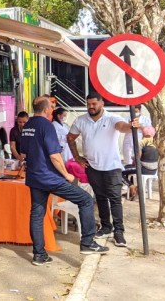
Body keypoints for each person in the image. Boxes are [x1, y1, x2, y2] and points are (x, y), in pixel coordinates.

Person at [22, 95, 108, 266]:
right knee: (85, 200)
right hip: (50, 177)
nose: (53, 109)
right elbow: (54, 155)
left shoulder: (28, 125)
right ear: (46, 109)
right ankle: (88, 242)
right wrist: (66, 174)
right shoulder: (46, 125)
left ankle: (39, 254)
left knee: (37, 214)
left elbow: (24, 152)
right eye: (52, 106)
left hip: (34, 176)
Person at [67, 92, 139, 248]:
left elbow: (123, 127)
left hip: (112, 167)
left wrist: (131, 126)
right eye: (88, 104)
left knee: (114, 199)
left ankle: (119, 232)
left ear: (102, 103)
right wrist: (77, 157)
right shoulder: (81, 120)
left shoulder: (112, 118)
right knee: (100, 197)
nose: (91, 107)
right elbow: (70, 138)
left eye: (94, 104)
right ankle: (106, 226)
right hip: (92, 166)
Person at [121, 129, 158, 201]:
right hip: (153, 171)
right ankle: (133, 191)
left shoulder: (141, 144)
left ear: (143, 134)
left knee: (120, 171)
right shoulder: (156, 145)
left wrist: (134, 157)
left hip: (143, 169)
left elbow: (137, 158)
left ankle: (131, 186)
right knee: (129, 169)